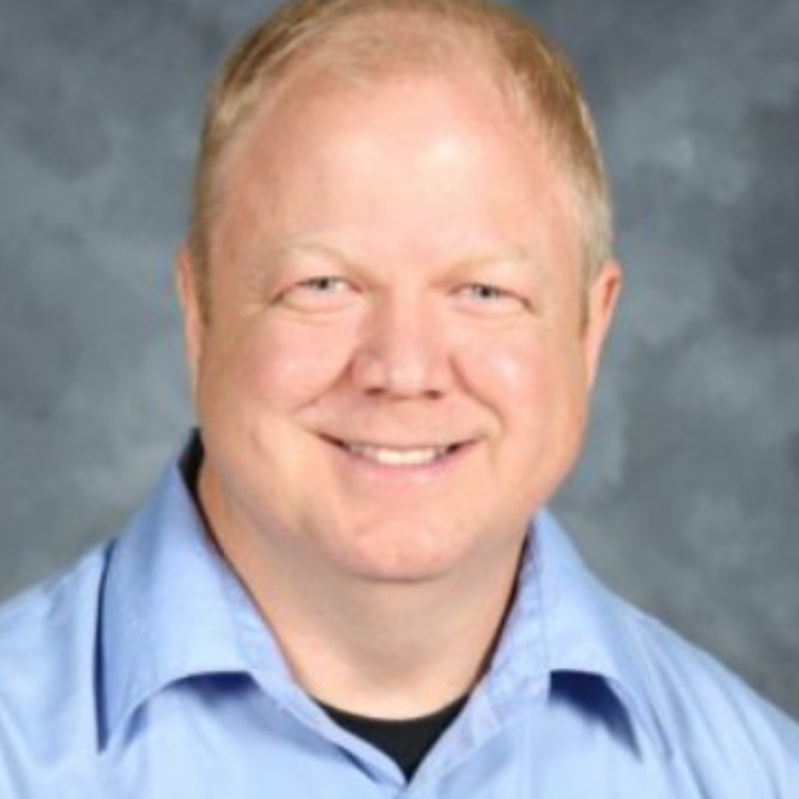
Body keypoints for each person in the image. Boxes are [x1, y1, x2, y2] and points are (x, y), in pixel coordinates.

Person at [1, 0, 797, 795]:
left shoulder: (751, 773)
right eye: (322, 284)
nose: (403, 367)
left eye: (484, 290)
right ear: (198, 309)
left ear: (589, 330)